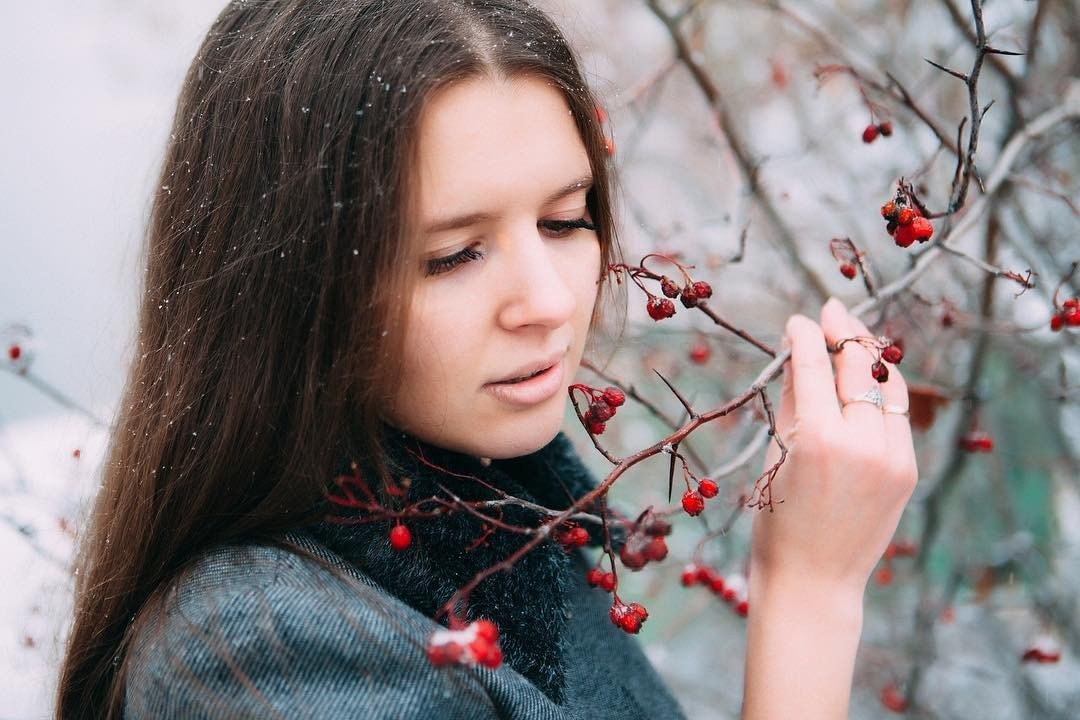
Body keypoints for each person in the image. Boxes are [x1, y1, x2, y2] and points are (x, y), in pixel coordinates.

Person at [55, 1, 918, 718]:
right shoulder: (262, 653)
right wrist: (810, 596)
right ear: (291, 289)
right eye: (453, 254)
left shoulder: (501, 517)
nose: (547, 300)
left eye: (565, 219)